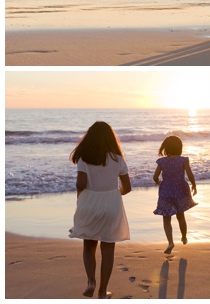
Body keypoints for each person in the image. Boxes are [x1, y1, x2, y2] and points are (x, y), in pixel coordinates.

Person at [69, 121, 131, 299]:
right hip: (111, 203)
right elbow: (127, 187)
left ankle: (91, 282)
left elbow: (80, 183)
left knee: (89, 245)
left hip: (89, 201)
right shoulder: (118, 159)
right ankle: (103, 291)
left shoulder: (84, 158)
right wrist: (112, 194)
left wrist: (82, 197)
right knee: (108, 248)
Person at [153, 135, 197, 254]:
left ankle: (170, 242)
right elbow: (190, 174)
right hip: (179, 190)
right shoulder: (183, 160)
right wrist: (194, 185)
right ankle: (183, 237)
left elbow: (155, 177)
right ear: (179, 148)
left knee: (166, 218)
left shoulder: (162, 161)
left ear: (165, 148)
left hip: (166, 191)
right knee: (180, 215)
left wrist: (160, 183)